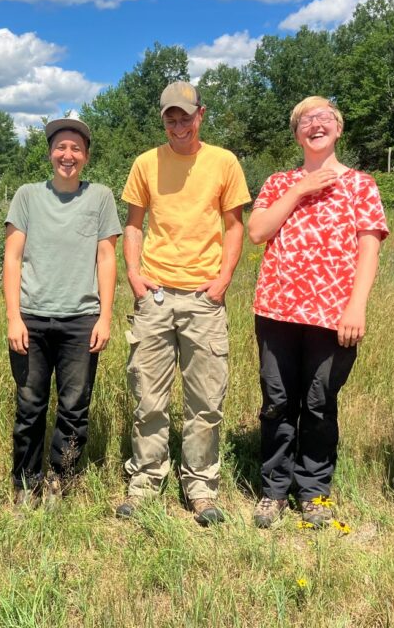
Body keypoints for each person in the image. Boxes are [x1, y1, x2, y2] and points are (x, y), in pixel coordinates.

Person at [247, 96, 388, 529]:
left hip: (334, 316)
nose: (315, 125)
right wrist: (300, 189)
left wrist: (357, 306)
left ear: (339, 128)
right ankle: (273, 490)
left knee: (319, 403)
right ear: (296, 134)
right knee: (277, 401)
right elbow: (257, 231)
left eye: (324, 118)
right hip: (277, 310)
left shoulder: (361, 185)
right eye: (305, 121)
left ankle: (314, 493)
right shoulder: (278, 182)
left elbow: (370, 248)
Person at [115, 81, 250, 525]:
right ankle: (145, 483)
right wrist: (134, 275)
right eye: (170, 118)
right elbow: (134, 225)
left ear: (200, 115)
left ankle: (201, 489)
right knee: (148, 398)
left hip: (203, 299)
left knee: (205, 401)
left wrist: (223, 279)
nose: (178, 125)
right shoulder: (145, 163)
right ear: (163, 120)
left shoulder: (223, 162)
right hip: (154, 296)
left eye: (185, 116)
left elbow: (235, 227)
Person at [3, 116, 121, 506]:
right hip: (31, 318)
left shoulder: (100, 197)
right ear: (50, 152)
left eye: (76, 148)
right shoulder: (27, 196)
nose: (67, 155)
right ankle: (26, 484)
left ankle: (60, 479)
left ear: (85, 155)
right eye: (61, 147)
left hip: (81, 320)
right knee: (30, 406)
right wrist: (13, 317)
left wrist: (105, 316)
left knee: (74, 408)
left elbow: (106, 257)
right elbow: (13, 257)